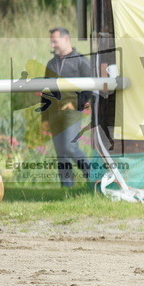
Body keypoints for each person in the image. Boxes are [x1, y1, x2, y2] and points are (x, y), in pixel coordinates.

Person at [43, 27, 92, 188]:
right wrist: (44, 118)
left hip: (71, 111)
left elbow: (91, 85)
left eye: (55, 41)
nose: (52, 45)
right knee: (61, 154)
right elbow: (46, 92)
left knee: (70, 147)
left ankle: (92, 177)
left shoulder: (81, 61)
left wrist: (77, 104)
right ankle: (66, 188)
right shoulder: (51, 63)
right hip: (53, 113)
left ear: (66, 39)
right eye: (51, 42)